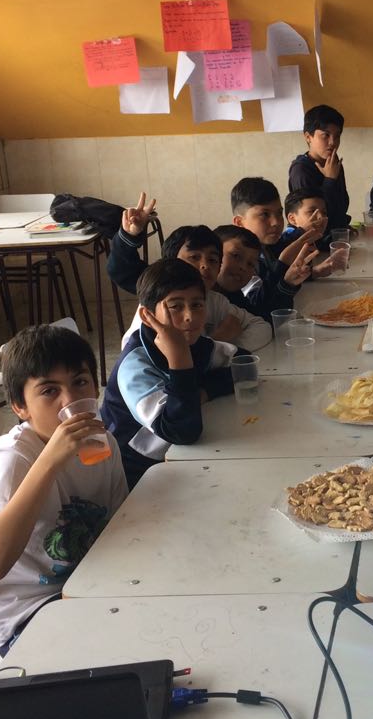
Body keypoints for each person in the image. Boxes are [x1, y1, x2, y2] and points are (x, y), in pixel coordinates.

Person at [0, 324, 127, 655]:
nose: (71, 401)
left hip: (87, 584)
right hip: (25, 611)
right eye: (49, 391)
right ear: (19, 407)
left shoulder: (104, 443)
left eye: (80, 382)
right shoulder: (14, 458)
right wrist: (49, 462)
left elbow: (119, 526)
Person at [100, 259, 235, 487]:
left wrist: (201, 392)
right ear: (147, 316)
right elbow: (182, 431)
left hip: (180, 457)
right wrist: (180, 359)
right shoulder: (134, 367)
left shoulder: (195, 343)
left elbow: (244, 366)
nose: (189, 316)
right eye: (175, 306)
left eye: (197, 304)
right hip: (135, 474)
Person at [107, 194, 271, 351]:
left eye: (212, 260)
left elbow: (262, 327)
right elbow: (168, 359)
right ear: (170, 262)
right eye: (194, 257)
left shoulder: (215, 300)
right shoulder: (158, 303)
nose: (205, 265)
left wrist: (222, 349)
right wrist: (217, 343)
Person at [230, 177, 318, 313]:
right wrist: (283, 263)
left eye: (279, 213)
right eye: (264, 214)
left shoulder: (266, 246)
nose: (276, 222)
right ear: (239, 222)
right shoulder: (238, 259)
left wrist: (315, 271)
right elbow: (256, 307)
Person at [288, 104, 350, 236]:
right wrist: (330, 180)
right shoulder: (301, 170)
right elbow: (314, 218)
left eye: (337, 136)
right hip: (313, 240)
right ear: (308, 137)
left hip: (336, 236)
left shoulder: (333, 163)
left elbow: (341, 205)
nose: (332, 142)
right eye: (325, 135)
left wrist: (344, 228)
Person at [280, 190, 339, 277]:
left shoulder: (313, 235)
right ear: (292, 219)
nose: (321, 217)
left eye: (324, 212)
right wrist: (301, 231)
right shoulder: (289, 236)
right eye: (312, 211)